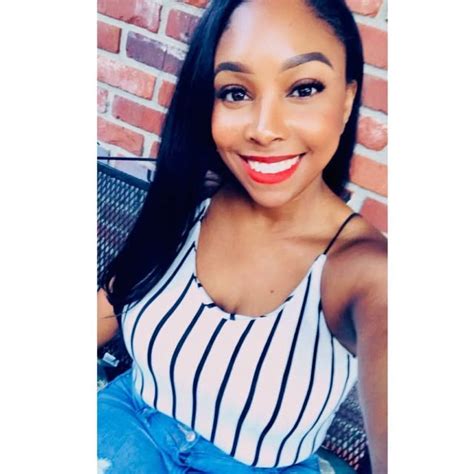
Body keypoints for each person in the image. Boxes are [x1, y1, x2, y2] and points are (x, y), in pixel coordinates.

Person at [97, 0, 387, 473]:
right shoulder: (191, 197)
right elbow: (113, 298)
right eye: (235, 92)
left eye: (304, 88)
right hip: (122, 429)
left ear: (347, 99)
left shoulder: (368, 274)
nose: (264, 130)